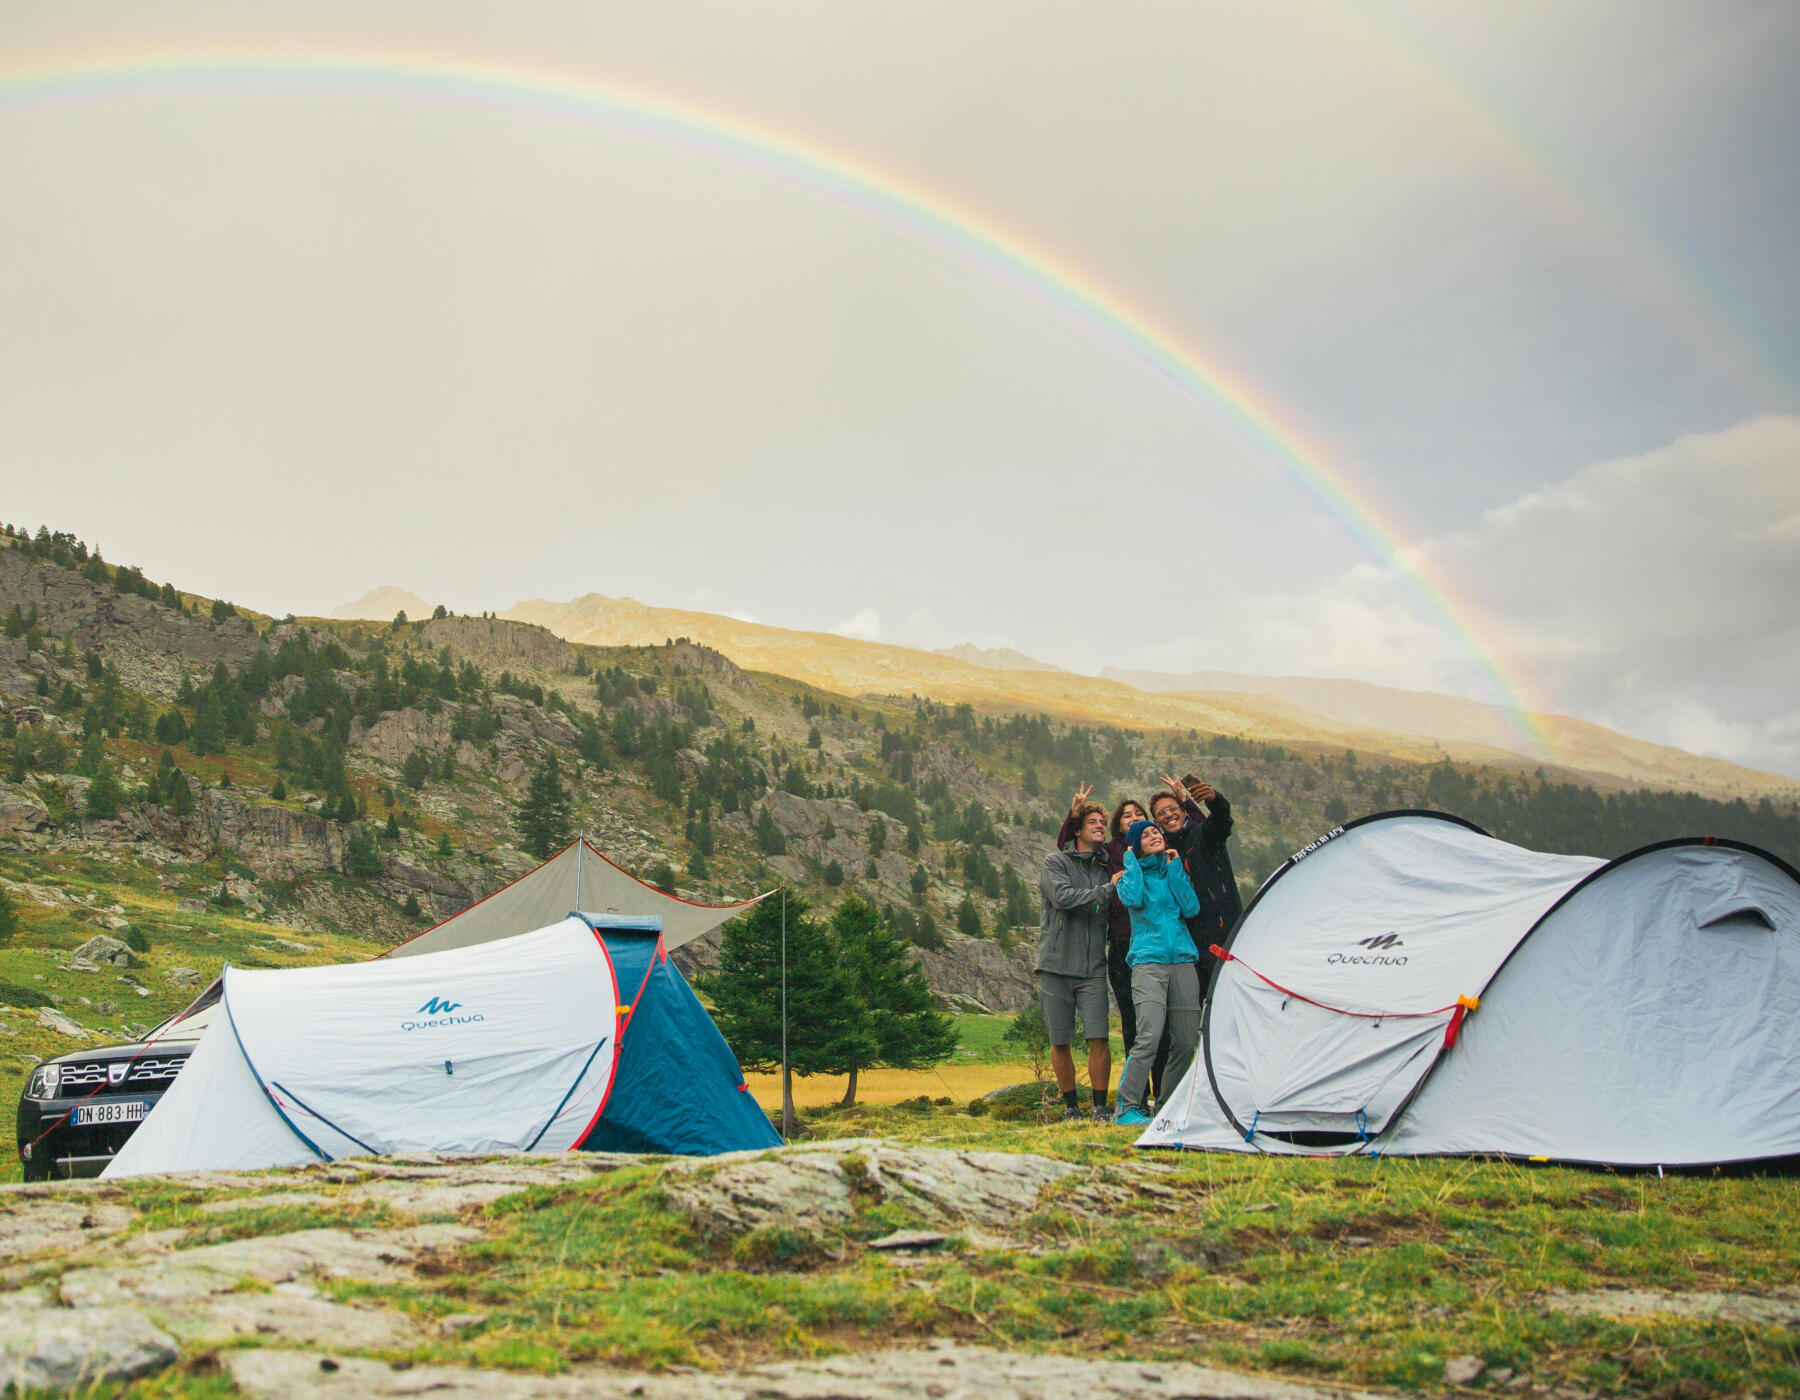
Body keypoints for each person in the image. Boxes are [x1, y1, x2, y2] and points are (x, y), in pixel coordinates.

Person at [1146, 772, 1242, 1097]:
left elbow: (1222, 821)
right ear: (1156, 822)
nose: (1168, 815)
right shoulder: (1160, 856)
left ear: (1184, 810)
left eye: (1173, 808)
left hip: (1224, 936)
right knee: (1196, 1024)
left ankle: (1235, 1085)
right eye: (1160, 813)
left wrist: (1212, 799)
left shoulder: (1204, 835)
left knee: (1229, 1014)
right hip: (1190, 950)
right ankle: (1202, 1089)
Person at [1112, 818, 1202, 1127]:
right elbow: (1132, 898)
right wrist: (1130, 860)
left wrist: (1176, 868)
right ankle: (1126, 1109)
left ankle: (1166, 1108)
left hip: (1182, 960)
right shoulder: (1131, 876)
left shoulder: (1173, 871)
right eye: (1146, 834)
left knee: (1186, 1040)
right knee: (1148, 1035)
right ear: (1136, 845)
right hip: (1148, 962)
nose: (1154, 835)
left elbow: (1191, 908)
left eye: (1156, 831)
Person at [1055, 785, 1151, 1057]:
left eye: (1140, 813)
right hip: (1124, 943)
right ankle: (1138, 1095)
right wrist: (1074, 816)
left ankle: (1166, 1095)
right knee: (1132, 1021)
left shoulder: (1159, 848)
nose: (1134, 817)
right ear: (1119, 825)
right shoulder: (1109, 853)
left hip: (1155, 943)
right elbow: (1068, 846)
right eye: (1127, 815)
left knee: (1159, 1022)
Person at [1036, 800, 1115, 1121]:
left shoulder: (1107, 866)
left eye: (1102, 822)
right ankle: (1071, 1108)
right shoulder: (1054, 863)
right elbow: (1063, 898)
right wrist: (1108, 891)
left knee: (1099, 1036)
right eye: (1092, 821)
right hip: (1055, 965)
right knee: (1060, 1039)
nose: (1100, 825)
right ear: (1078, 829)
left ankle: (1099, 1107)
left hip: (1094, 967)